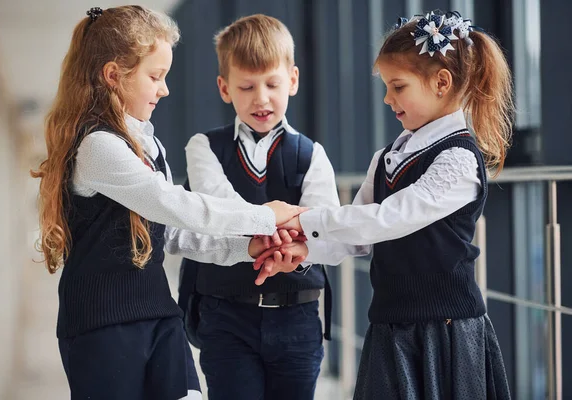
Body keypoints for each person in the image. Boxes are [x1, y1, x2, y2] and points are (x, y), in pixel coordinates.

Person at [31, 6, 302, 400]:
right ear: (113, 76)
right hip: (102, 328)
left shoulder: (150, 144)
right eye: (155, 77)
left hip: (160, 315)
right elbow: (172, 203)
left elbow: (173, 234)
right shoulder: (97, 147)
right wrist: (262, 216)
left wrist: (247, 247)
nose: (165, 89)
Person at [256, 10, 513, 399]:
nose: (387, 98)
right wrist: (304, 248)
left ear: (441, 82)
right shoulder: (389, 155)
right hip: (390, 324)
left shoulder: (458, 158)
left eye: (398, 86)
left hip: (443, 331)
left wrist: (303, 217)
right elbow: (359, 237)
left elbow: (389, 219)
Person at [177, 14, 339, 400]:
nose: (261, 98)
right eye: (246, 86)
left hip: (297, 316)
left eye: (272, 84)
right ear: (224, 88)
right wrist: (281, 226)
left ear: (293, 81)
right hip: (225, 315)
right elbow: (219, 206)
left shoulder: (311, 155)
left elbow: (324, 224)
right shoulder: (204, 147)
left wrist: (295, 251)